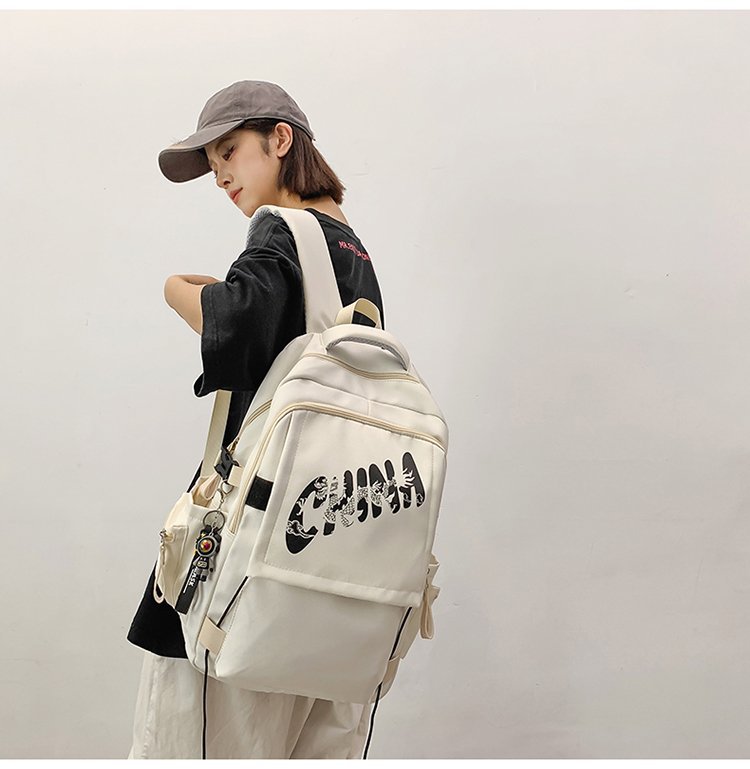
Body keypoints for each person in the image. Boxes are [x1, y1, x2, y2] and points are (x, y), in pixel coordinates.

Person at [125, 80, 386, 759]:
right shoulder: (354, 255)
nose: (220, 176)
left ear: (280, 139)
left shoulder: (280, 230)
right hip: (329, 576)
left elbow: (237, 332)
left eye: (229, 152)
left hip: (241, 575)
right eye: (213, 164)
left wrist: (177, 291)